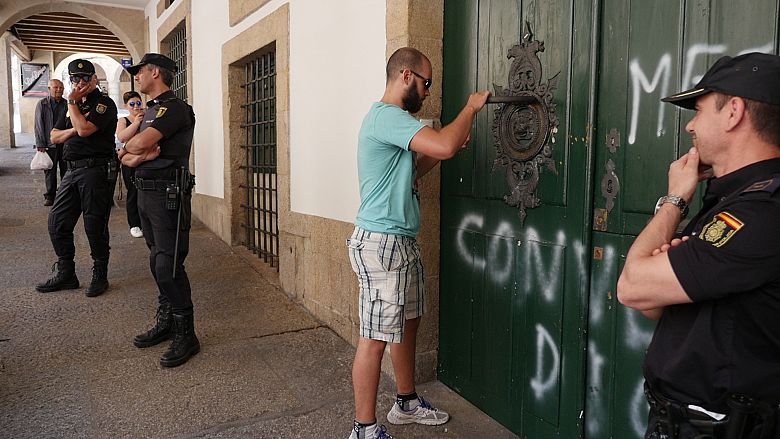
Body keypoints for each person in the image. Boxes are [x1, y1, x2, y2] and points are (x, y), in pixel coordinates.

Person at [617, 52, 780, 439]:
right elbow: (653, 303)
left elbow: (632, 287)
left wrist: (675, 199)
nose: (690, 124)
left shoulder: (762, 212)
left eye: (700, 110)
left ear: (733, 112)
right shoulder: (733, 199)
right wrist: (660, 277)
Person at [345, 47, 490, 439]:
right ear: (406, 76)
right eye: (427, 83)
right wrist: (470, 109)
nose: (427, 91)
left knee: (407, 323)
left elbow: (412, 170)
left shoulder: (394, 123)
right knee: (374, 338)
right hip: (382, 244)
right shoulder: (387, 116)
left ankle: (406, 402)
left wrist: (442, 149)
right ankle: (363, 429)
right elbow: (443, 145)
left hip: (400, 242)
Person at [120, 53, 198, 368]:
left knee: (168, 265)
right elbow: (126, 155)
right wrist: (136, 153)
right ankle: (167, 321)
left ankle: (187, 334)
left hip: (168, 194)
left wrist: (133, 149)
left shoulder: (174, 108)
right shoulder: (150, 110)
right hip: (146, 193)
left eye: (140, 71)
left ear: (155, 72)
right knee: (157, 261)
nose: (137, 76)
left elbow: (135, 146)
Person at [35, 59, 118, 297]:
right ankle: (66, 273)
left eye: (85, 77)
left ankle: (100, 274)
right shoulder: (73, 105)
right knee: (57, 222)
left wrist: (73, 112)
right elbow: (54, 136)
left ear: (94, 79)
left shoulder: (103, 104)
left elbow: (84, 130)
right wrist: (74, 126)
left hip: (95, 171)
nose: (79, 82)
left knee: (94, 226)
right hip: (71, 171)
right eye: (75, 78)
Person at [34, 79, 67, 206]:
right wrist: (40, 143)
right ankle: (50, 196)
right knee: (49, 171)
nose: (59, 90)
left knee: (66, 170)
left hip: (65, 143)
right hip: (49, 144)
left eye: (61, 87)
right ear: (49, 89)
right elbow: (38, 125)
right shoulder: (42, 104)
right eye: (55, 87)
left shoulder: (67, 104)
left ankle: (65, 194)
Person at [116, 91, 144, 238]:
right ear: (126, 106)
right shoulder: (124, 120)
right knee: (133, 192)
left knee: (145, 192)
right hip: (130, 160)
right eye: (132, 104)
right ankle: (134, 223)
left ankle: (145, 222)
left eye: (138, 103)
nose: (136, 106)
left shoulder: (146, 116)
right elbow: (122, 137)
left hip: (145, 159)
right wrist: (136, 123)